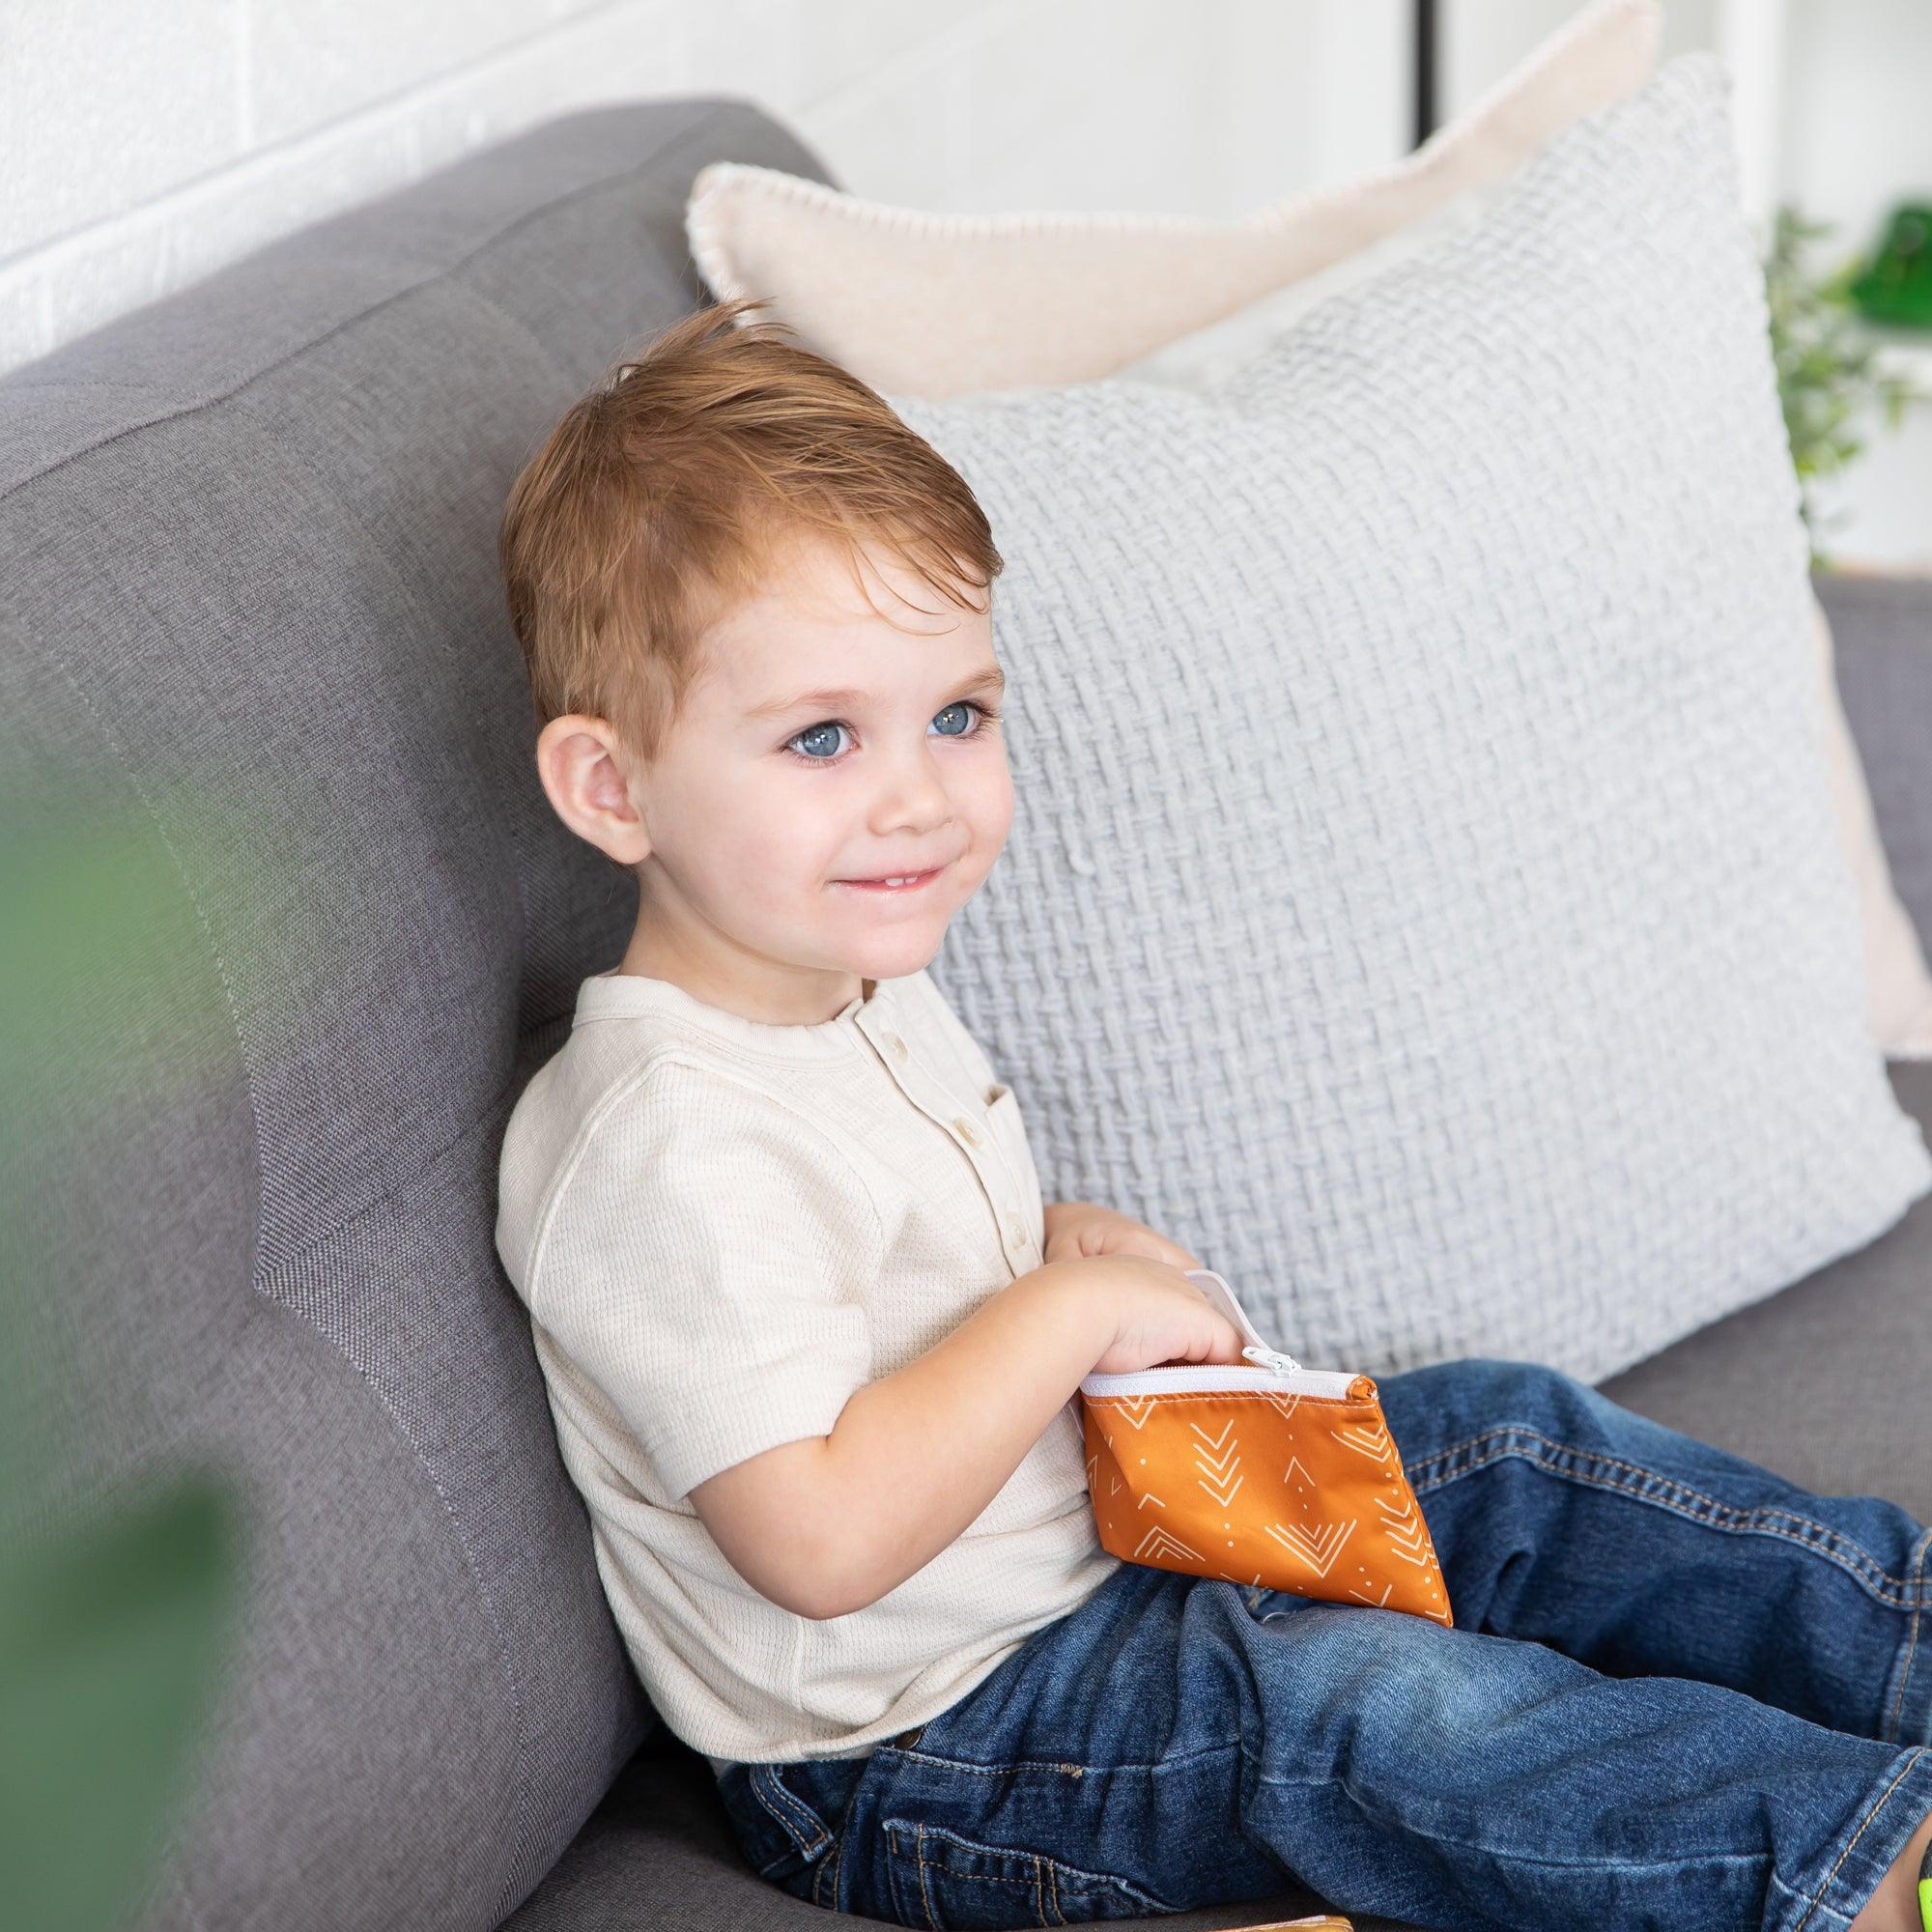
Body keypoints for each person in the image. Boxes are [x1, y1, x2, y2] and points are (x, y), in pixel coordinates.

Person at [492, 295, 1932, 1932]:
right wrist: (1069, 1305)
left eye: (958, 714)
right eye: (822, 736)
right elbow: (818, 1537)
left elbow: (872, 1278)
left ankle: (1903, 1644)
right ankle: (1860, 1873)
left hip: (1107, 1553)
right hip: (927, 1748)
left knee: (1503, 1445)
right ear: (611, 788)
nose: (919, 794)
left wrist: (1048, 1246)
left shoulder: (845, 971)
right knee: (1371, 1713)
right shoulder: (659, 1140)